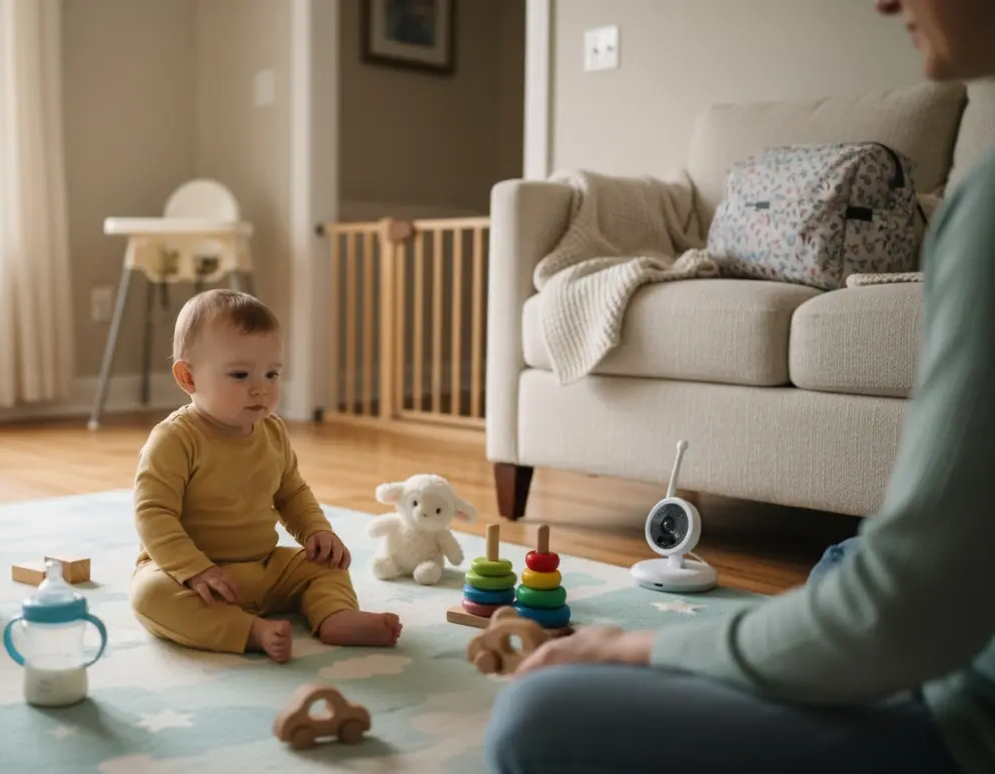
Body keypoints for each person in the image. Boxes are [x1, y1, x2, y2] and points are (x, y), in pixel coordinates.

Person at [485, 1, 995, 772]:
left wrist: (642, 648)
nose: (886, 3)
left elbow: (910, 614)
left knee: (536, 715)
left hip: (965, 719)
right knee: (845, 559)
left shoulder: (986, 206)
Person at [130, 289, 402, 663]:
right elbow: (153, 515)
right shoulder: (175, 439)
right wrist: (195, 570)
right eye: (240, 374)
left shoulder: (272, 431)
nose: (261, 387)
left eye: (272, 373)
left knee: (326, 567)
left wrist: (316, 532)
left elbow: (291, 493)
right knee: (149, 596)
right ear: (188, 376)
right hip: (192, 576)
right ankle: (249, 631)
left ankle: (335, 616)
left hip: (263, 567)